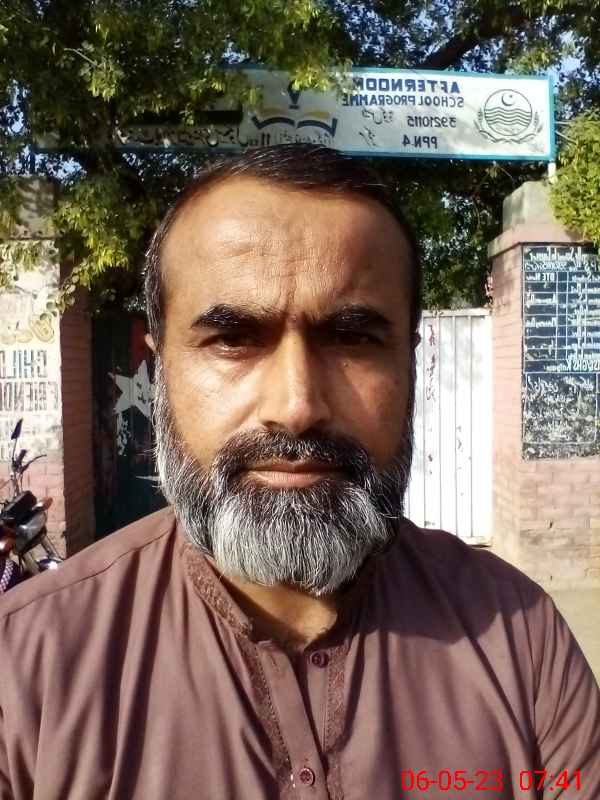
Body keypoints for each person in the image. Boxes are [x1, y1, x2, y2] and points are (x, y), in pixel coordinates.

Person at [0, 144, 598, 800]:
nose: (297, 406)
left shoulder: (520, 641)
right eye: (233, 339)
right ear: (161, 363)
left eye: (352, 339)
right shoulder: (26, 669)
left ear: (411, 362)